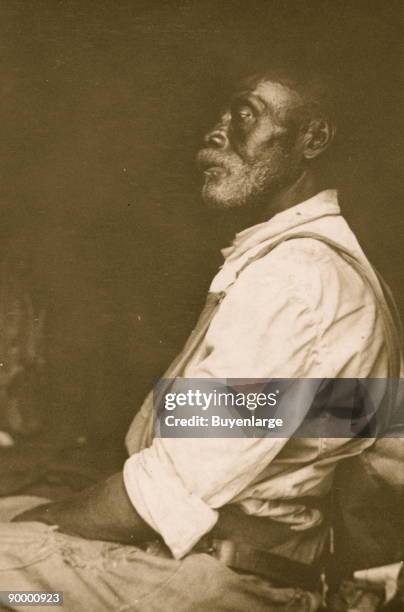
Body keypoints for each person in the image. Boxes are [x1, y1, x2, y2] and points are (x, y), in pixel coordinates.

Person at [0, 69, 400, 612]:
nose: (216, 131)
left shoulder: (296, 279)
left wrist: (40, 524)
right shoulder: (301, 263)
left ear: (313, 138)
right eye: (221, 115)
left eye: (245, 114)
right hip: (214, 559)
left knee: (8, 562)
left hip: (223, 582)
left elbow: (159, 495)